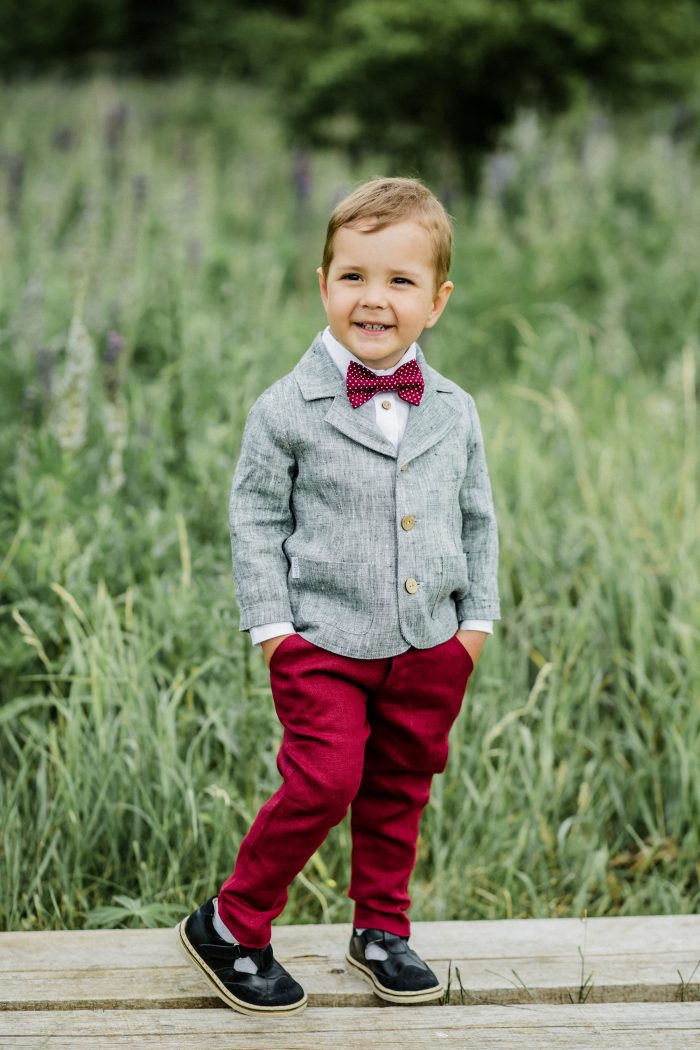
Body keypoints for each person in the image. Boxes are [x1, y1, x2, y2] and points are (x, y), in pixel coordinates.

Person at [178, 176, 500, 1016]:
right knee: (324, 779)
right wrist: (274, 629)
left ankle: (381, 929)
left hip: (430, 640)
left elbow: (479, 518)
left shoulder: (455, 411)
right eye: (354, 276)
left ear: (437, 301)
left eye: (400, 281)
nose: (374, 299)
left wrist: (475, 625)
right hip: (321, 639)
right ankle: (233, 922)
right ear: (323, 284)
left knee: (401, 784)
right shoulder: (286, 408)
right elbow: (253, 517)